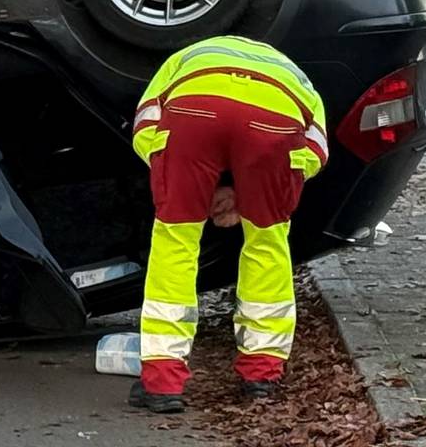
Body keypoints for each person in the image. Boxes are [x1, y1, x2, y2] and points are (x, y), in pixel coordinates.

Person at [126, 35, 330, 415]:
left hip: (193, 111)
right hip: (276, 120)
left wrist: (183, 185)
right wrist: (250, 196)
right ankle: (262, 376)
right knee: (267, 243)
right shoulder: (296, 77)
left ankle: (163, 381)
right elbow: (314, 151)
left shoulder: (186, 58)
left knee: (175, 241)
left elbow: (146, 125)